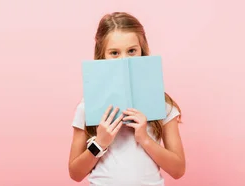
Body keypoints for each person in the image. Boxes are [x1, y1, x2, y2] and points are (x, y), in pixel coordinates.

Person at [67, 12, 186, 186]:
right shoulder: (87, 106)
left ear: (142, 51)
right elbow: (75, 174)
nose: (124, 61)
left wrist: (145, 139)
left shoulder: (162, 105)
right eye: (114, 53)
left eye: (131, 51)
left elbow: (178, 170)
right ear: (102, 57)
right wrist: (100, 143)